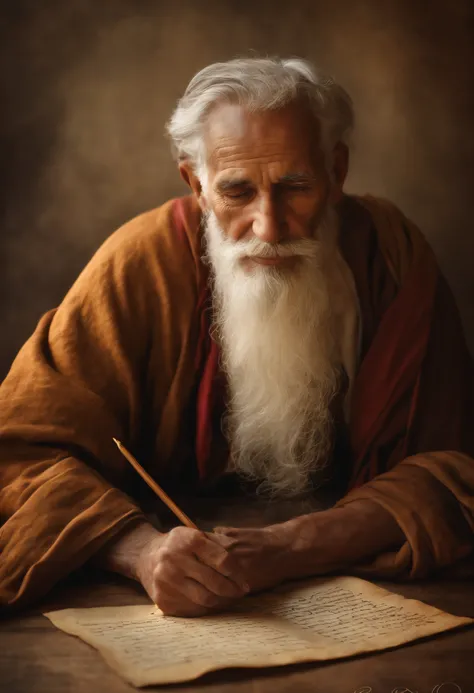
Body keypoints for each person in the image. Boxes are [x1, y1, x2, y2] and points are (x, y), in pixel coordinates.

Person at [0, 57, 473, 617]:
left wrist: (287, 548)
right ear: (196, 185)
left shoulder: (391, 259)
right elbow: (20, 453)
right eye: (237, 191)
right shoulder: (138, 265)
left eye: (295, 186)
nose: (268, 228)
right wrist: (142, 553)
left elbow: (452, 468)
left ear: (336, 171)